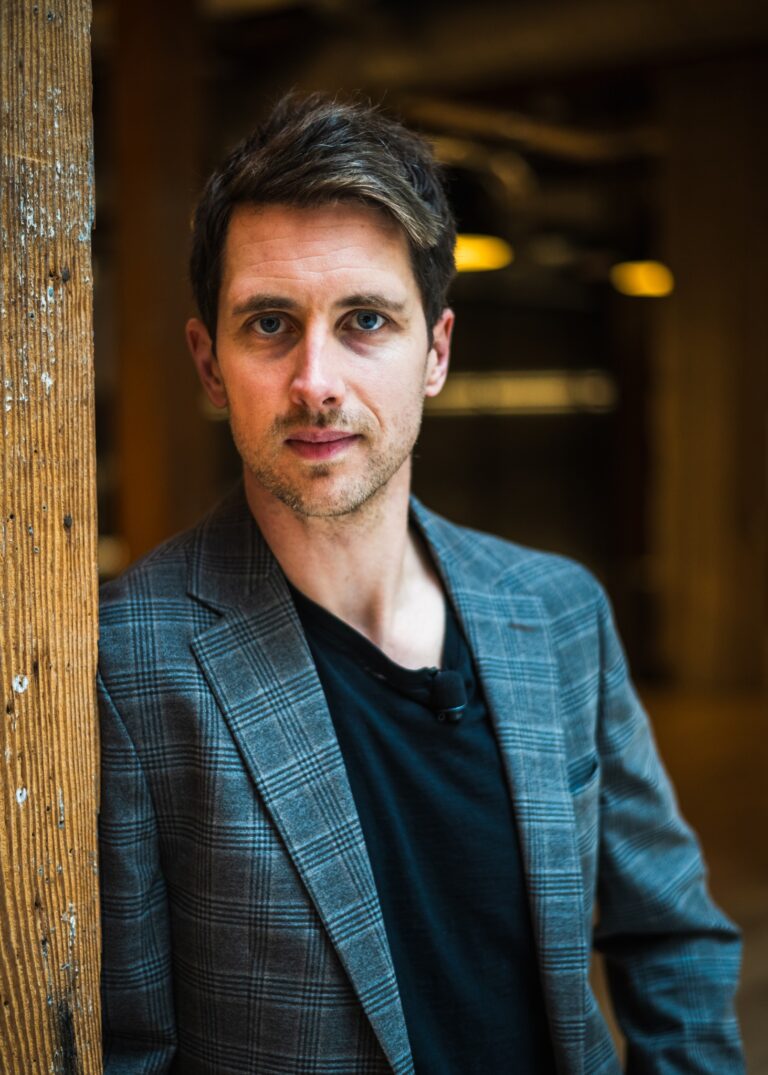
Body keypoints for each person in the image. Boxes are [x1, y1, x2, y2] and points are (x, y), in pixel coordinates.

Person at [98, 92, 744, 1074]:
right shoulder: (128, 661)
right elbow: (128, 1050)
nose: (317, 378)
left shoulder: (559, 609)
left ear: (435, 351)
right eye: (270, 323)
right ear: (210, 363)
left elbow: (671, 935)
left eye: (365, 320)